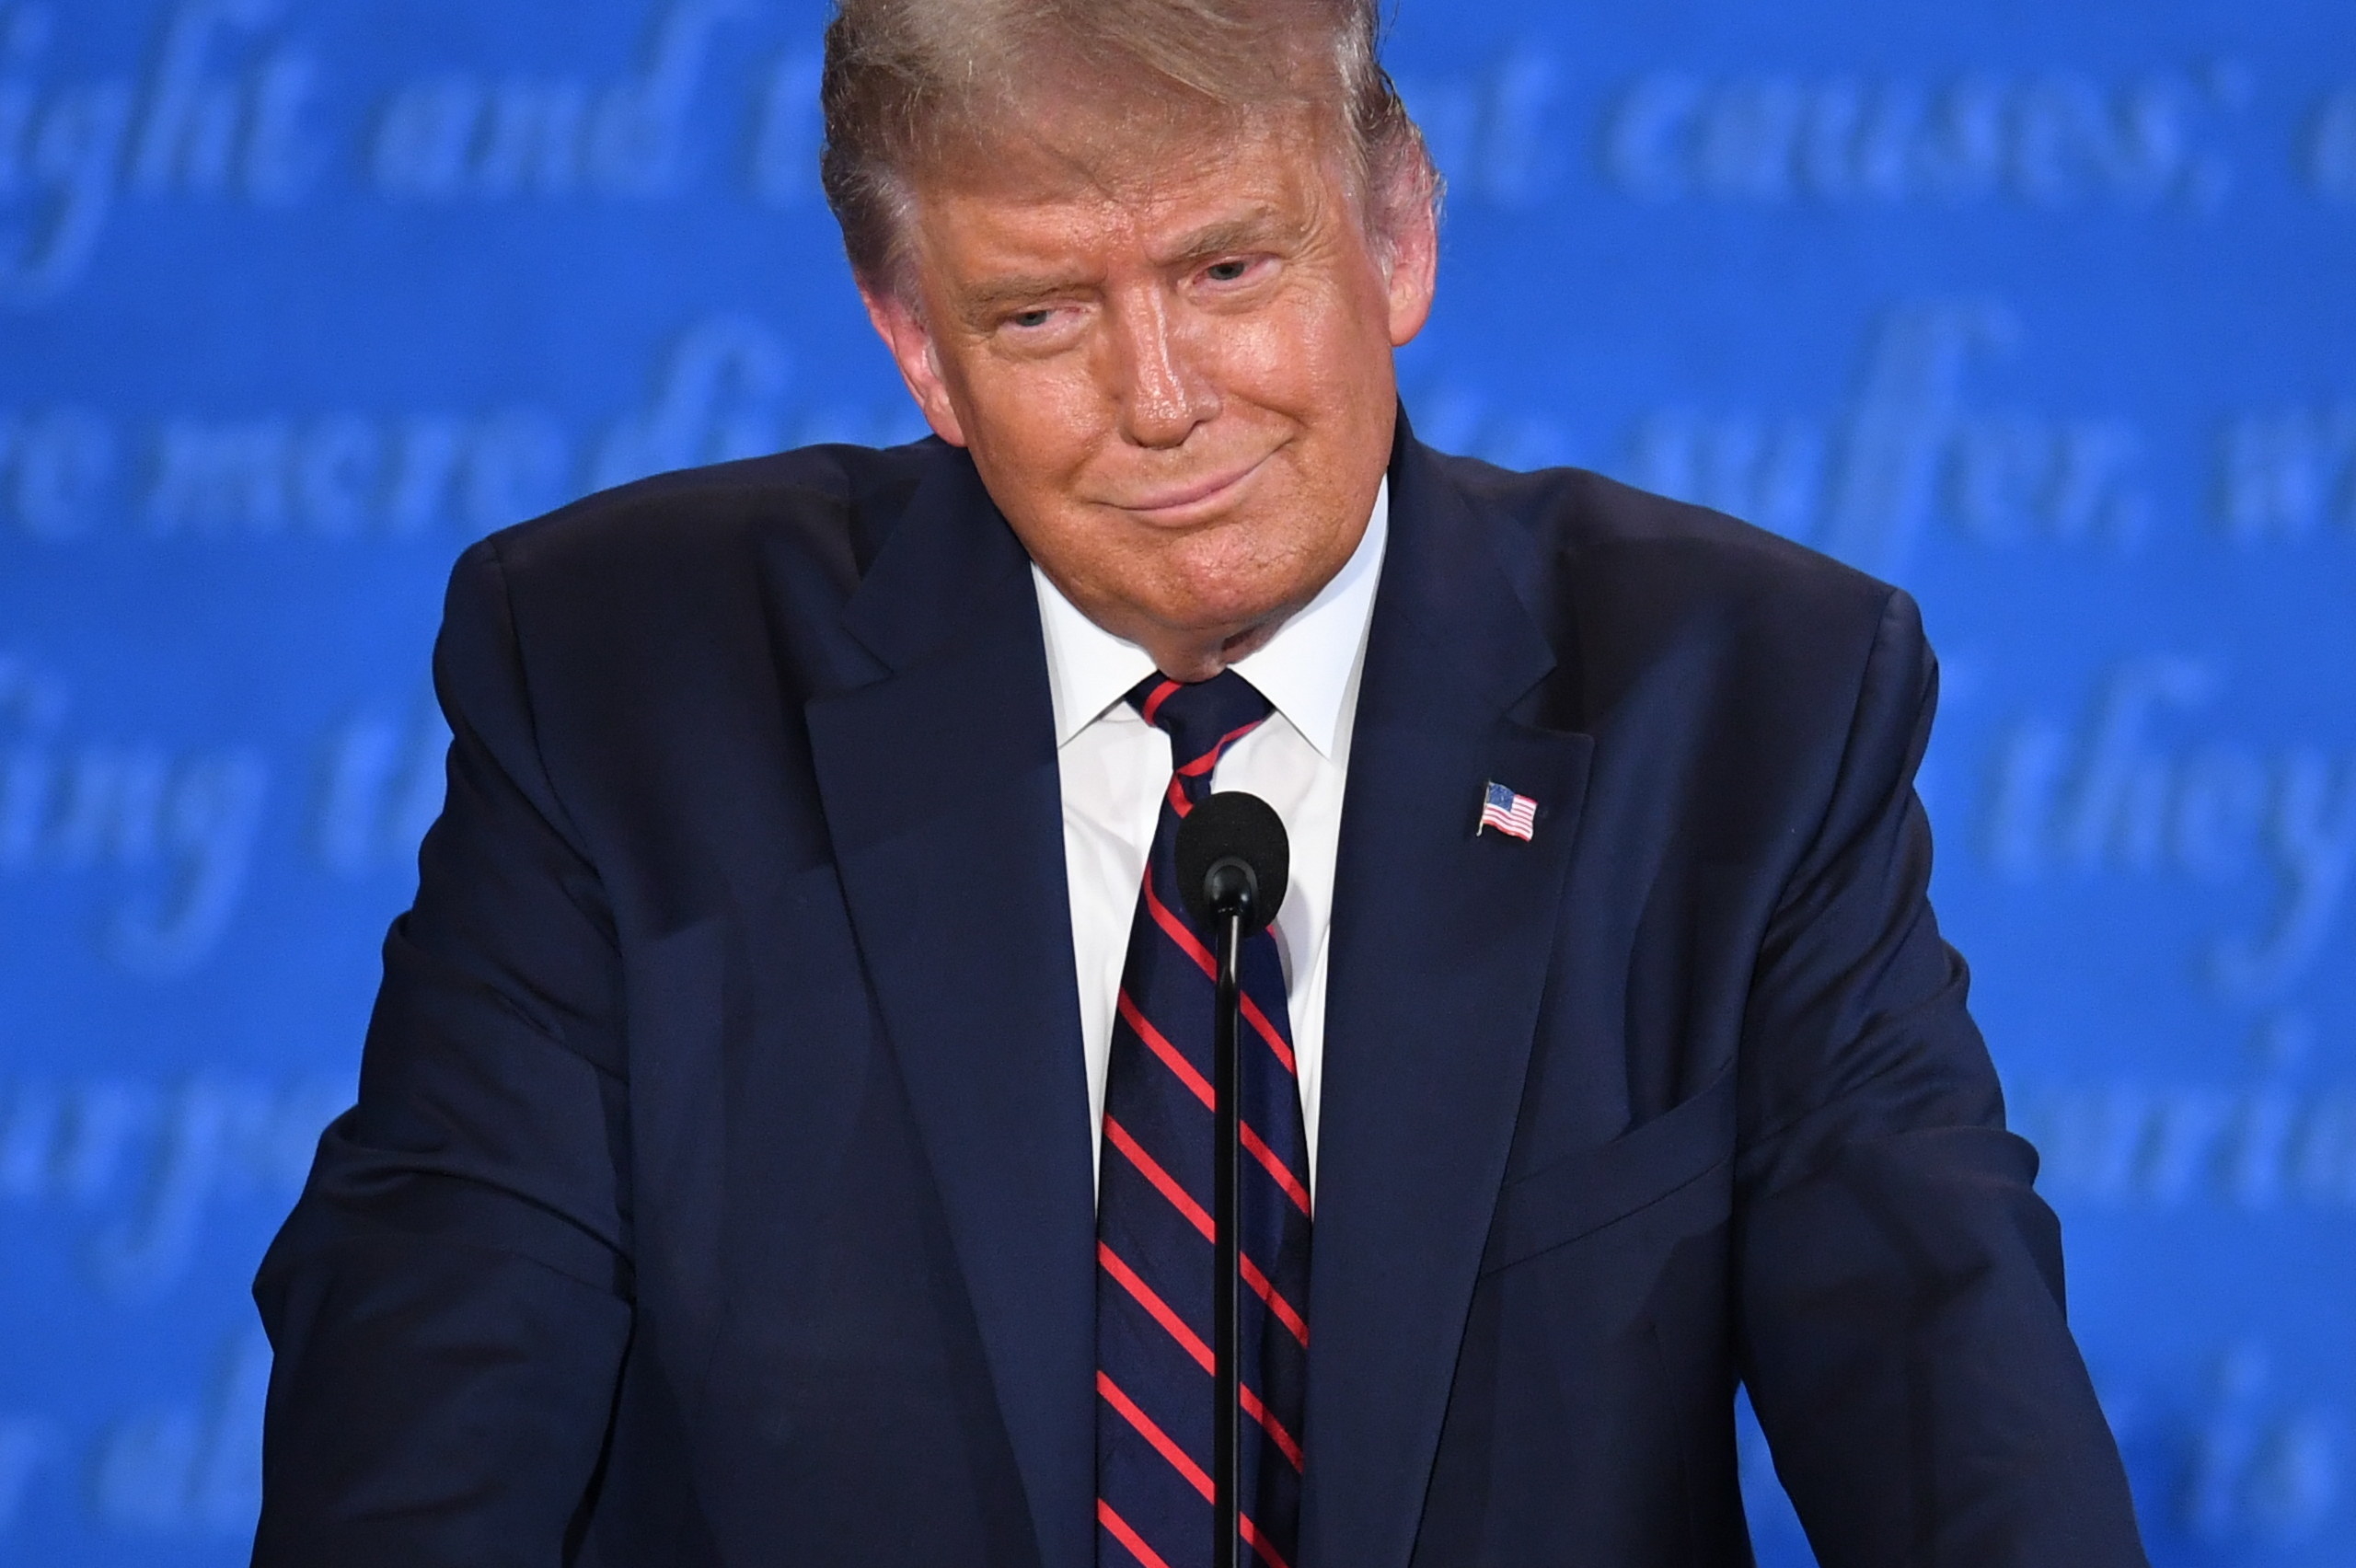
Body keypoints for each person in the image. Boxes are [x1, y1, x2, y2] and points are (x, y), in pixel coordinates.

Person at [250, 0, 2151, 1563]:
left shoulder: (1739, 707)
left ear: (1395, 234)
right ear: (915, 345)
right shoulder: (621, 687)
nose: (1162, 398)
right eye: (1040, 315)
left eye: (1227, 267)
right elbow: (433, 1395)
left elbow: (1945, 1391)